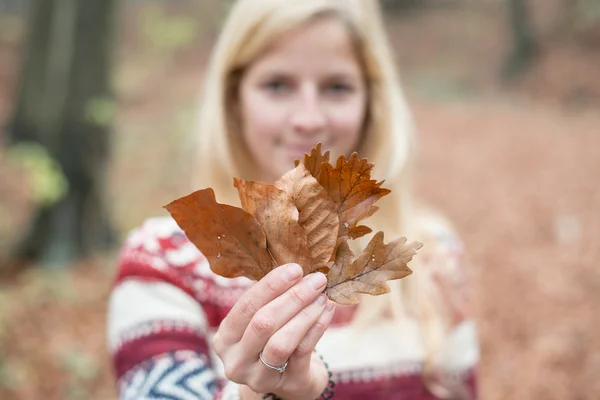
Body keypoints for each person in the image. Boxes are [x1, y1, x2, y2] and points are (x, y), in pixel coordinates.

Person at [106, 0, 480, 399]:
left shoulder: (433, 258)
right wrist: (260, 394)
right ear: (235, 99)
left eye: (337, 87)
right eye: (277, 85)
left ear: (371, 102)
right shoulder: (162, 264)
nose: (308, 119)